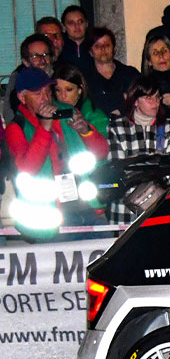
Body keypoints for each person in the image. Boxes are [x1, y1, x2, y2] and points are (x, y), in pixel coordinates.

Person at [3, 67, 109, 234]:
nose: (45, 98)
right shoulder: (16, 127)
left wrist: (87, 132)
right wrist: (44, 128)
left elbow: (102, 153)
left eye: (48, 91)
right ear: (22, 97)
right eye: (38, 94)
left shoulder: (67, 112)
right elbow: (27, 168)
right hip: (50, 218)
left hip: (87, 207)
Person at [106, 76, 170, 223]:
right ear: (135, 101)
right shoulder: (117, 127)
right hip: (124, 211)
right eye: (149, 98)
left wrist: (139, 164)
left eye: (157, 97)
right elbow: (118, 169)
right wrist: (154, 163)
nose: (155, 103)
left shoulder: (169, 126)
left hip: (159, 208)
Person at [84, 27, 140, 116]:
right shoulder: (84, 78)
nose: (103, 49)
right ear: (91, 52)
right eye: (97, 46)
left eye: (106, 45)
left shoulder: (130, 74)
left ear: (114, 49)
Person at [53, 63, 108, 136]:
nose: (63, 95)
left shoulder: (95, 116)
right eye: (58, 90)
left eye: (69, 90)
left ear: (79, 90)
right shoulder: (50, 113)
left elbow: (100, 141)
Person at [59, 5, 90, 71]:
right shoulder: (59, 46)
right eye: (71, 23)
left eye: (80, 22)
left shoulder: (95, 44)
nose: (77, 26)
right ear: (63, 26)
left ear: (86, 23)